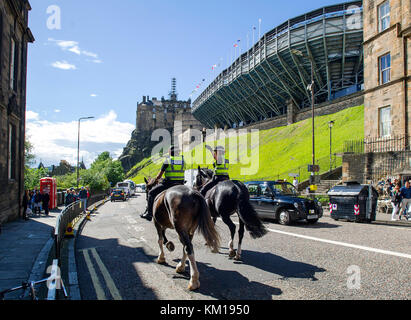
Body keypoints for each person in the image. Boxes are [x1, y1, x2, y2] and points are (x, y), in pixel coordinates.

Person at [141, 146, 185, 222]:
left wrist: (156, 180)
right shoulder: (183, 160)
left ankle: (149, 214)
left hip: (169, 183)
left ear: (170, 152)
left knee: (151, 193)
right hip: (181, 184)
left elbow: (159, 176)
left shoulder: (168, 160)